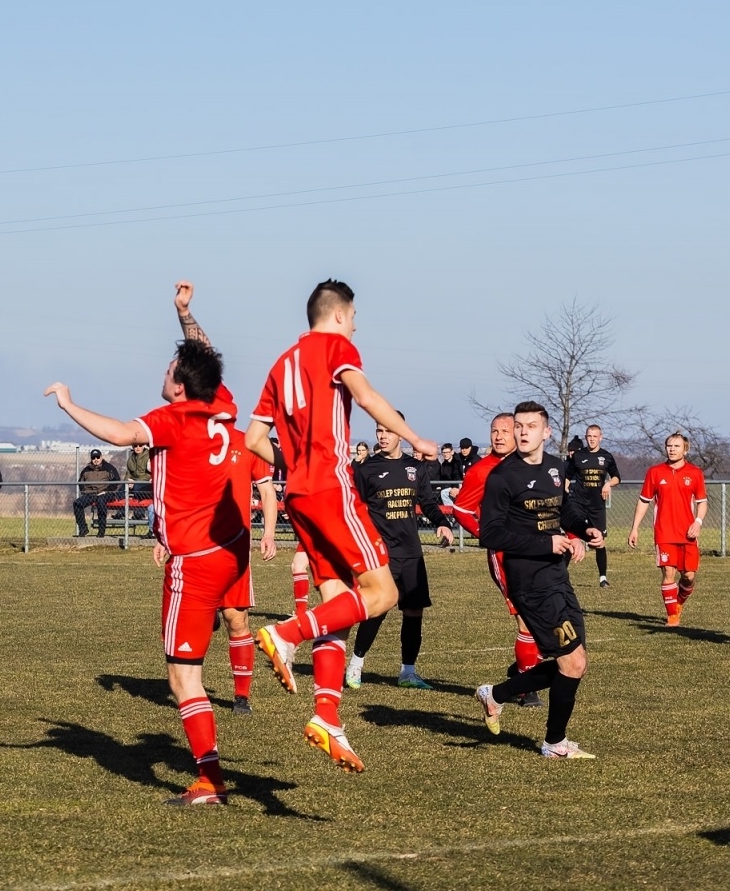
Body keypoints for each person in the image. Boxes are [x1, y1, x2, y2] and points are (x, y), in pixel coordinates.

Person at [46, 331, 255, 805]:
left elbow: (121, 433)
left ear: (181, 385)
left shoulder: (175, 417)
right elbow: (205, 358)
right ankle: (249, 648)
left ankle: (210, 781)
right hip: (229, 552)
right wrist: (185, 317)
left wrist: (67, 404)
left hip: (195, 562)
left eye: (168, 371)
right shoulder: (221, 407)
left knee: (183, 676)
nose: (162, 375)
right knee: (210, 646)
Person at [246, 278, 438, 774]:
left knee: (339, 604)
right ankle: (286, 634)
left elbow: (253, 440)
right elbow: (368, 396)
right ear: (338, 313)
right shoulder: (336, 346)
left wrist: (293, 465)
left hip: (299, 495)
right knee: (384, 594)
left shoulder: (279, 364)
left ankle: (327, 716)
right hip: (332, 488)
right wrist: (415, 436)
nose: (355, 325)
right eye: (353, 316)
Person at [472, 401, 604, 759]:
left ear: (546, 432)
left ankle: (496, 694)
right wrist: (546, 542)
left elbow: (565, 509)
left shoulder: (556, 468)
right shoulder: (502, 477)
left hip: (557, 575)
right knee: (572, 662)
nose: (523, 432)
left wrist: (583, 528)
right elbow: (490, 534)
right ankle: (553, 743)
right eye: (519, 426)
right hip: (529, 581)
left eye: (531, 426)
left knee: (575, 661)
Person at [170, 280, 278, 716]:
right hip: (191, 542)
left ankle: (241, 698)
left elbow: (204, 354)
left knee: (237, 618)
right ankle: (190, 680)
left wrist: (184, 313)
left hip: (232, 545)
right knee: (194, 624)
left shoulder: (239, 436)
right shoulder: (179, 425)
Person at [348, 417, 453, 690]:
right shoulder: (365, 469)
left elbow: (428, 502)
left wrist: (442, 523)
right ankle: (355, 666)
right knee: (378, 608)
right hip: (381, 554)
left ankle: (408, 672)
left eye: (388, 431)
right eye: (379, 431)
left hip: (411, 553)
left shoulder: (415, 467)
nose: (382, 436)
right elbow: (352, 510)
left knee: (414, 611)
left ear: (400, 435)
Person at [451, 413, 543, 708]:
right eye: (494, 431)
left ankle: (518, 675)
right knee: (526, 620)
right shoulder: (482, 471)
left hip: (536, 549)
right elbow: (461, 510)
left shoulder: (529, 464)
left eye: (506, 430)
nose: (499, 436)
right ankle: (526, 687)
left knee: (543, 618)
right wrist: (488, 534)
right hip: (505, 554)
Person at [628, 433, 708, 626]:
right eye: (669, 446)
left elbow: (702, 502)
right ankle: (672, 615)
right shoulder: (655, 472)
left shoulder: (695, 473)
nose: (672, 449)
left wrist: (697, 522)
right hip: (664, 533)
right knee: (668, 574)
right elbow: (644, 501)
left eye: (676, 446)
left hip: (688, 533)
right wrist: (635, 528)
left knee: (688, 576)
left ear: (685, 449)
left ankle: (678, 602)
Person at [566, 424, 622, 587]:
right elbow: (567, 476)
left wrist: (608, 484)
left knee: (599, 542)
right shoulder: (578, 456)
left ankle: (603, 578)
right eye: (589, 436)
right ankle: (562, 576)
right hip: (578, 504)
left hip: (596, 506)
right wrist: (564, 492)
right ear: (586, 437)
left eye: (595, 436)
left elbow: (617, 477)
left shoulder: (607, 456)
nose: (592, 439)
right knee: (571, 538)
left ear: (600, 437)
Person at [72, 449, 120, 537]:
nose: (96, 459)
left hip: (106, 493)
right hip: (91, 494)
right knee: (77, 504)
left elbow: (116, 481)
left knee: (101, 502)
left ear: (101, 457)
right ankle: (83, 529)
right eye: (93, 458)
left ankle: (101, 530)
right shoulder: (86, 470)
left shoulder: (109, 468)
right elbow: (81, 483)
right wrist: (86, 492)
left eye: (98, 457)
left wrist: (106, 491)